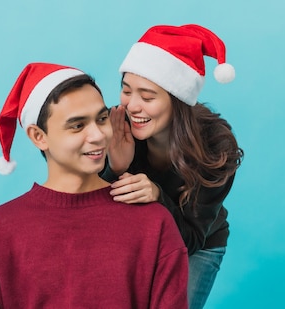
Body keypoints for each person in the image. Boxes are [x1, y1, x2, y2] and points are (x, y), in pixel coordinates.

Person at [0, 62, 189, 308]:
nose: (98, 135)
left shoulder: (154, 223)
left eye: (101, 119)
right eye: (77, 125)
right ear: (39, 136)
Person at [100, 24, 244, 309]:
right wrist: (115, 168)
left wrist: (156, 195)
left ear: (177, 100)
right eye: (126, 91)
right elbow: (95, 211)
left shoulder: (216, 147)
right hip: (135, 238)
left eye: (148, 97)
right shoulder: (115, 126)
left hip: (196, 245)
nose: (132, 106)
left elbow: (190, 239)